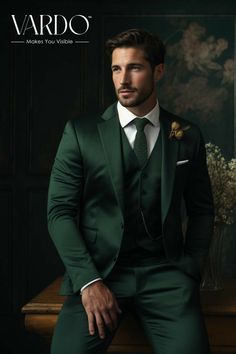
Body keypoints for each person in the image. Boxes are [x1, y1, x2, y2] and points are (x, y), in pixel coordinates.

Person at [47, 28, 215, 354]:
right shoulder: (81, 133)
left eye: (134, 68)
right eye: (116, 69)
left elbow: (202, 209)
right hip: (101, 274)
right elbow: (59, 212)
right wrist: (89, 281)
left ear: (158, 71)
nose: (123, 79)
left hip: (167, 278)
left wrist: (191, 268)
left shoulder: (186, 135)